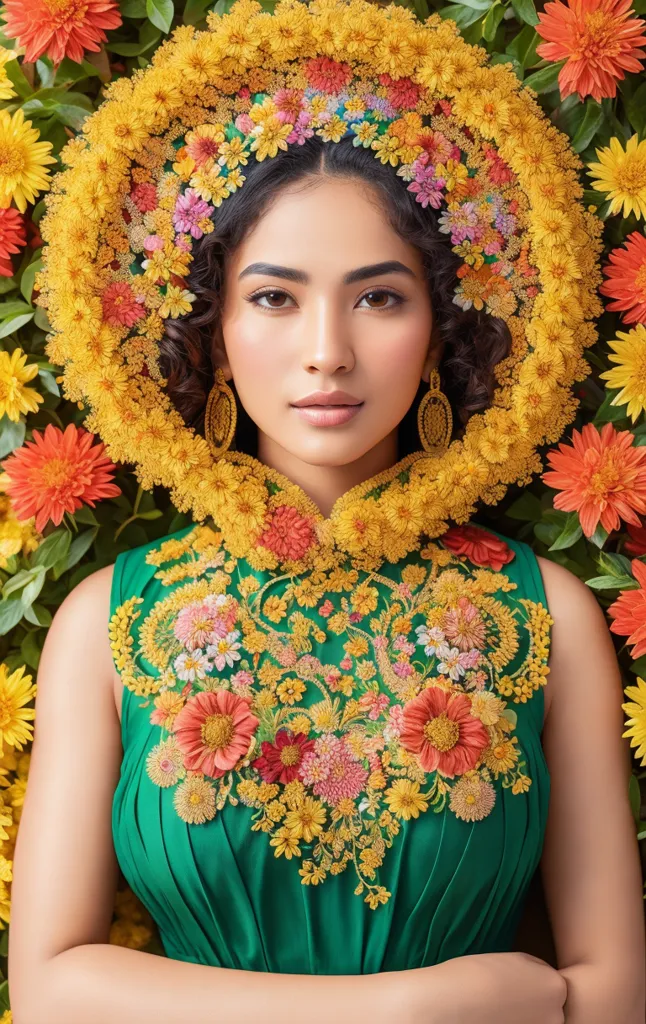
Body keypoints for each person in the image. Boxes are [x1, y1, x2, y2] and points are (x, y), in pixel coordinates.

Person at [7, 1, 646, 1022]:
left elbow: (610, 994)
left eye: (379, 297)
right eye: (272, 297)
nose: (325, 351)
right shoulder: (110, 620)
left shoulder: (543, 615)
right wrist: (403, 1010)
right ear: (211, 330)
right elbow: (49, 986)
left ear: (443, 326)